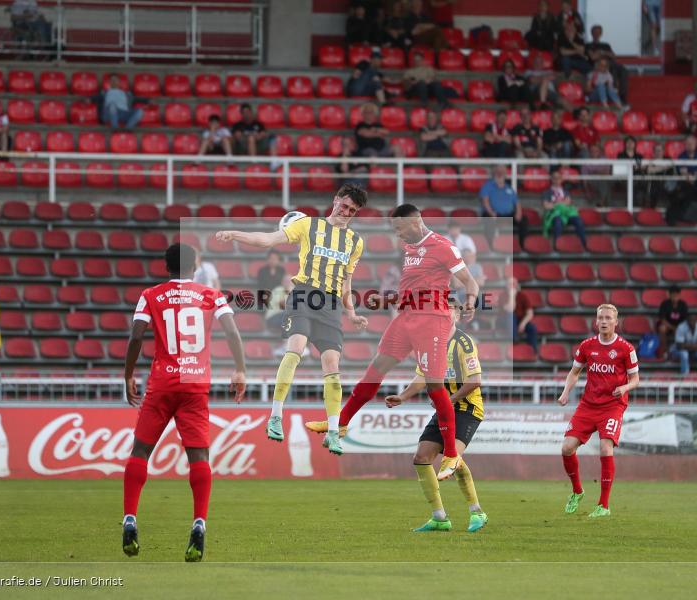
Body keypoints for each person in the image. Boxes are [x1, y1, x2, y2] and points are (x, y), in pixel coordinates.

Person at [305, 204, 480, 481]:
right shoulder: (410, 249)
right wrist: (384, 300)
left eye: (400, 229)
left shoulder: (443, 246)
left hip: (433, 319)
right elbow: (410, 290)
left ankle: (450, 454)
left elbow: (471, 282)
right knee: (376, 368)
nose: (398, 236)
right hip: (406, 317)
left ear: (415, 222)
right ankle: (340, 423)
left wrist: (470, 302)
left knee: (434, 385)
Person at [216, 185, 369, 454]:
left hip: (331, 303)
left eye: (352, 211)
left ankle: (333, 431)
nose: (346, 213)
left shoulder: (355, 243)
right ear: (335, 201)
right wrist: (234, 234)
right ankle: (275, 415)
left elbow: (347, 281)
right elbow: (268, 240)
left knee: (332, 365)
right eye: (344, 206)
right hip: (304, 293)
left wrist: (352, 313)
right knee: (296, 348)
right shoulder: (308, 225)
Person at [122, 243, 247, 562]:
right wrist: (240, 370)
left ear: (166, 266)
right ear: (197, 266)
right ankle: (199, 522)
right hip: (195, 382)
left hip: (162, 381)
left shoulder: (151, 295)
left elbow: (136, 337)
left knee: (141, 451)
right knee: (198, 455)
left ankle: (130, 518)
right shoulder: (211, 295)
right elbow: (232, 333)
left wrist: (128, 375)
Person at [384, 300, 488, 533]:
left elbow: (475, 381)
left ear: (456, 316)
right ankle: (439, 517)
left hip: (466, 409)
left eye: (448, 311)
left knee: (452, 459)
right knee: (421, 457)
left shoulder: (464, 343)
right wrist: (403, 396)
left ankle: (477, 512)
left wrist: (447, 400)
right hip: (444, 409)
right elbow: (422, 377)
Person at [558, 304, 640, 518]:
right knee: (567, 448)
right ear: (596, 321)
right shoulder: (587, 346)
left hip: (613, 405)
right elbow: (574, 372)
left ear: (615, 322)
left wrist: (625, 387)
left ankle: (603, 505)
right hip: (588, 404)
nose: (603, 321)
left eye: (608, 318)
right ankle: (577, 491)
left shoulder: (625, 348)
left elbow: (636, 379)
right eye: (600, 318)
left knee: (605, 448)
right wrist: (566, 391)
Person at [479, 164, 527, 248]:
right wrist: (491, 212)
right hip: (493, 214)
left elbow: (517, 203)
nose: (500, 174)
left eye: (502, 172)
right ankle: (490, 246)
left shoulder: (509, 188)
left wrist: (518, 213)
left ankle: (522, 245)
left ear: (505, 174)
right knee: (488, 220)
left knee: (523, 220)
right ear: (494, 173)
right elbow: (485, 201)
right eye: (498, 171)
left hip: (508, 215)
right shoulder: (487, 186)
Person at [542, 169, 587, 247]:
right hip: (555, 215)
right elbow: (546, 206)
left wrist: (555, 204)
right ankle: (557, 245)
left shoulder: (566, 191)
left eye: (559, 178)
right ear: (551, 179)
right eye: (554, 178)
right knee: (558, 221)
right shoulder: (547, 192)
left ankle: (583, 244)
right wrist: (560, 204)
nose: (557, 180)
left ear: (561, 179)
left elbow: (568, 202)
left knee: (578, 221)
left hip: (566, 214)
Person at [585, 24, 629, 102]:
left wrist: (601, 52)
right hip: (598, 65)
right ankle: (614, 94)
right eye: (595, 32)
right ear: (592, 33)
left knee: (623, 69)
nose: (597, 34)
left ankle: (622, 94)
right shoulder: (588, 45)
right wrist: (605, 54)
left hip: (610, 62)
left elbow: (613, 56)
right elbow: (593, 57)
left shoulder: (606, 45)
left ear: (601, 33)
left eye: (598, 32)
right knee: (612, 69)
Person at [499, 277, 537, 351]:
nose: (512, 286)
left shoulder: (522, 296)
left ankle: (532, 350)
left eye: (514, 284)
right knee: (511, 316)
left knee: (532, 328)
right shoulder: (503, 296)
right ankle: (514, 340)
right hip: (505, 320)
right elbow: (510, 309)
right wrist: (512, 296)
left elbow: (530, 313)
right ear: (506, 285)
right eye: (510, 284)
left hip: (519, 321)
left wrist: (523, 323)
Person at [656, 285, 689, 359]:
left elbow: (685, 320)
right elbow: (662, 319)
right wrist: (673, 328)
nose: (675, 297)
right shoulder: (665, 304)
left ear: (679, 295)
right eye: (673, 295)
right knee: (662, 328)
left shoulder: (683, 305)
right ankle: (665, 351)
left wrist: (678, 328)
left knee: (685, 329)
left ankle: (680, 350)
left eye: (677, 295)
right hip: (668, 326)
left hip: (679, 327)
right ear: (669, 295)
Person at [646, 143, 676, 209]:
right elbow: (649, 170)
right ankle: (652, 209)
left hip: (667, 183)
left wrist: (657, 168)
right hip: (655, 183)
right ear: (653, 152)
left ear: (663, 151)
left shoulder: (668, 158)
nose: (658, 152)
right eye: (656, 150)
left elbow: (671, 166)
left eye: (660, 150)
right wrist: (664, 167)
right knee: (654, 187)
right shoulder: (652, 160)